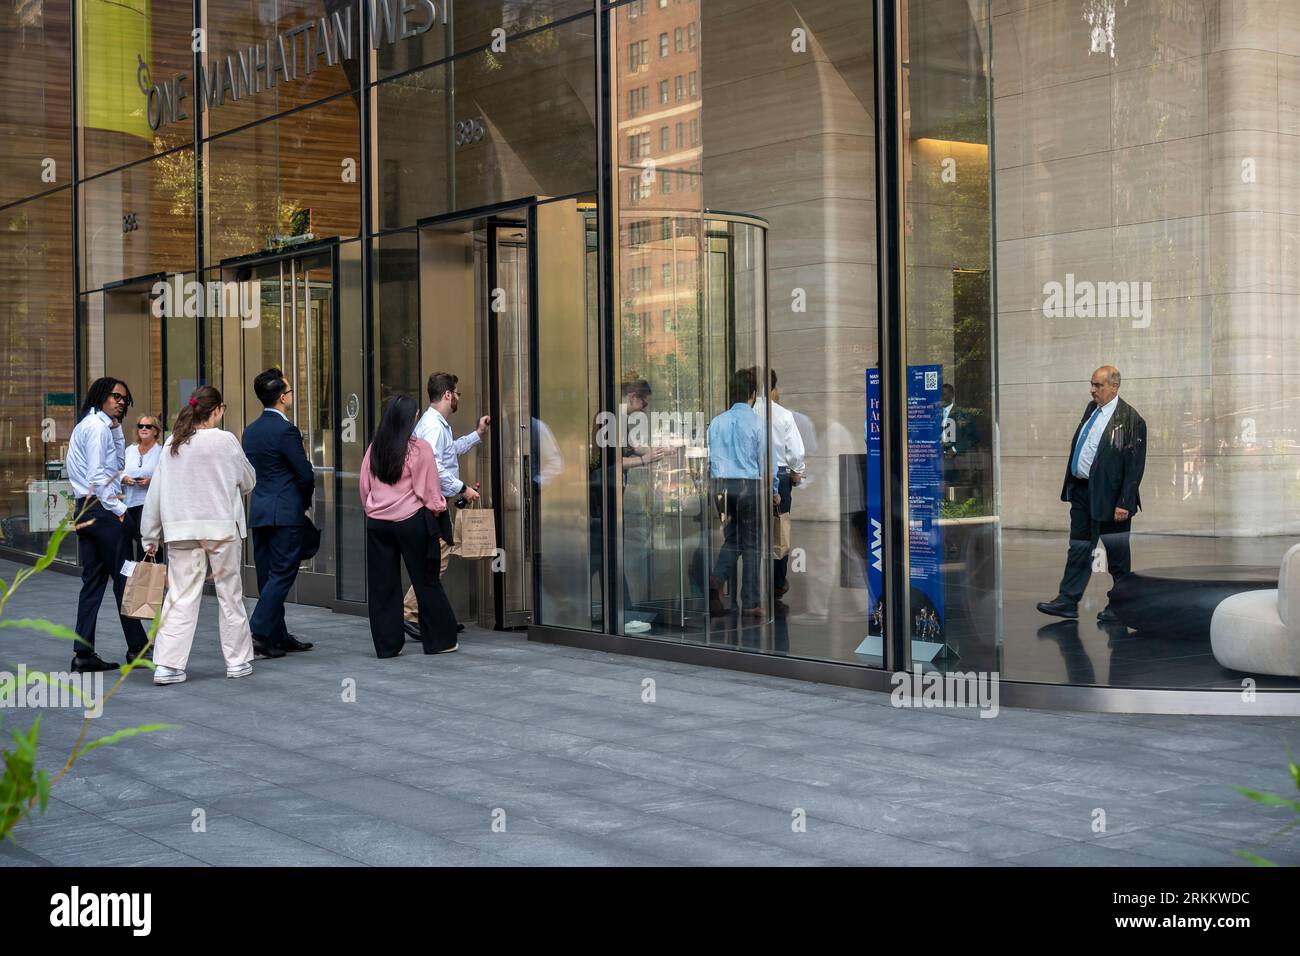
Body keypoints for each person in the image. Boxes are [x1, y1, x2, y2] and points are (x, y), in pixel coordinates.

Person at [140, 386, 257, 685]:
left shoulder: (171, 444)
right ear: (217, 410)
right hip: (221, 529)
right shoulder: (226, 441)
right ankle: (238, 661)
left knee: (180, 596)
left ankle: (168, 665)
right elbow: (248, 480)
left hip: (181, 530)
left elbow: (156, 492)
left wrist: (149, 534)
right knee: (229, 595)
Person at [1037, 366, 1147, 623]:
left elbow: (1134, 467)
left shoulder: (1131, 420)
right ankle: (1067, 600)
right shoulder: (1091, 410)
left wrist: (1125, 503)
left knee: (1117, 556)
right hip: (1083, 492)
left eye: (1098, 385)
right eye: (1092, 384)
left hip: (1111, 499)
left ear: (1114, 386)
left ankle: (1121, 606)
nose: (1092, 390)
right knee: (1079, 548)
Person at [362, 395, 459, 657]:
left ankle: (387, 646)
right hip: (411, 521)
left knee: (383, 586)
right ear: (411, 418)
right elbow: (428, 491)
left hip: (377, 524)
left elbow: (364, 487)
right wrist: (440, 508)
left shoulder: (374, 449)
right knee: (426, 579)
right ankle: (440, 641)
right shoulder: (419, 449)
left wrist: (374, 507)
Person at [64, 377, 149, 672]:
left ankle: (83, 653)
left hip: (86, 509)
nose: (121, 401)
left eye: (125, 398)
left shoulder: (92, 426)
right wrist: (121, 510)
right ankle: (138, 649)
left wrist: (116, 428)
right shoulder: (97, 428)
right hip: (103, 510)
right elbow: (101, 475)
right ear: (100, 396)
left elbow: (114, 466)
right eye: (115, 396)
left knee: (94, 582)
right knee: (125, 579)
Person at [407, 372, 491, 629]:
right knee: (437, 560)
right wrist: (462, 488)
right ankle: (410, 611)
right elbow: (433, 467)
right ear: (447, 394)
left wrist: (477, 434)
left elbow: (448, 452)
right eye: (456, 393)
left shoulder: (435, 423)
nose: (457, 397)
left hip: (433, 502)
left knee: (434, 559)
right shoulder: (433, 426)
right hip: (432, 503)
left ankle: (433, 614)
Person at [243, 368, 316, 658]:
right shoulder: (286, 430)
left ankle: (277, 636)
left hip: (259, 511)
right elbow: (305, 473)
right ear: (283, 397)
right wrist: (305, 502)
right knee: (283, 574)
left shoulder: (250, 430)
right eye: (289, 392)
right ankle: (259, 632)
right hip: (285, 512)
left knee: (267, 576)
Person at [708, 368, 778, 619]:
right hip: (750, 487)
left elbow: (710, 461)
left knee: (732, 538)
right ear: (752, 394)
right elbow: (768, 464)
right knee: (751, 546)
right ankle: (750, 602)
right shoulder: (759, 423)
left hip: (721, 488)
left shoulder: (716, 422)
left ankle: (717, 578)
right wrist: (774, 490)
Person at [752, 369, 806, 601]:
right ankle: (777, 582)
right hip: (781, 476)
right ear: (773, 387)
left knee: (752, 529)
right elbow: (795, 451)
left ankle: (753, 582)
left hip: (751, 476)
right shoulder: (783, 414)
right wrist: (798, 472)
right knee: (779, 530)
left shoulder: (749, 413)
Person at [121, 415, 163, 561]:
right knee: (128, 538)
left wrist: (151, 481)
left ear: (156, 431)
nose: (144, 429)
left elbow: (167, 476)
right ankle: (130, 577)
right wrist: (125, 479)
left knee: (143, 539)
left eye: (148, 426)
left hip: (149, 503)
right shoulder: (130, 450)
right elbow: (119, 471)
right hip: (130, 502)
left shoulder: (161, 451)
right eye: (141, 426)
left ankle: (145, 578)